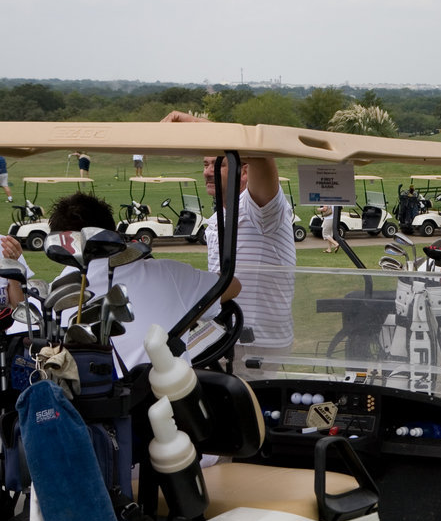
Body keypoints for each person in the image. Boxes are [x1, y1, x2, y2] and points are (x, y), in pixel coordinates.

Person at [161, 110, 295, 370]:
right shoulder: (219, 215)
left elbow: (261, 154)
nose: (208, 172)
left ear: (244, 170)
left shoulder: (261, 208)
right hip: (225, 332)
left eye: (218, 164)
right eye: (205, 164)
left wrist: (195, 123)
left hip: (259, 343)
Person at [47, 192, 239, 367]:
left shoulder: (49, 296)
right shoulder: (170, 274)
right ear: (112, 233)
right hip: (161, 398)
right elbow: (232, 285)